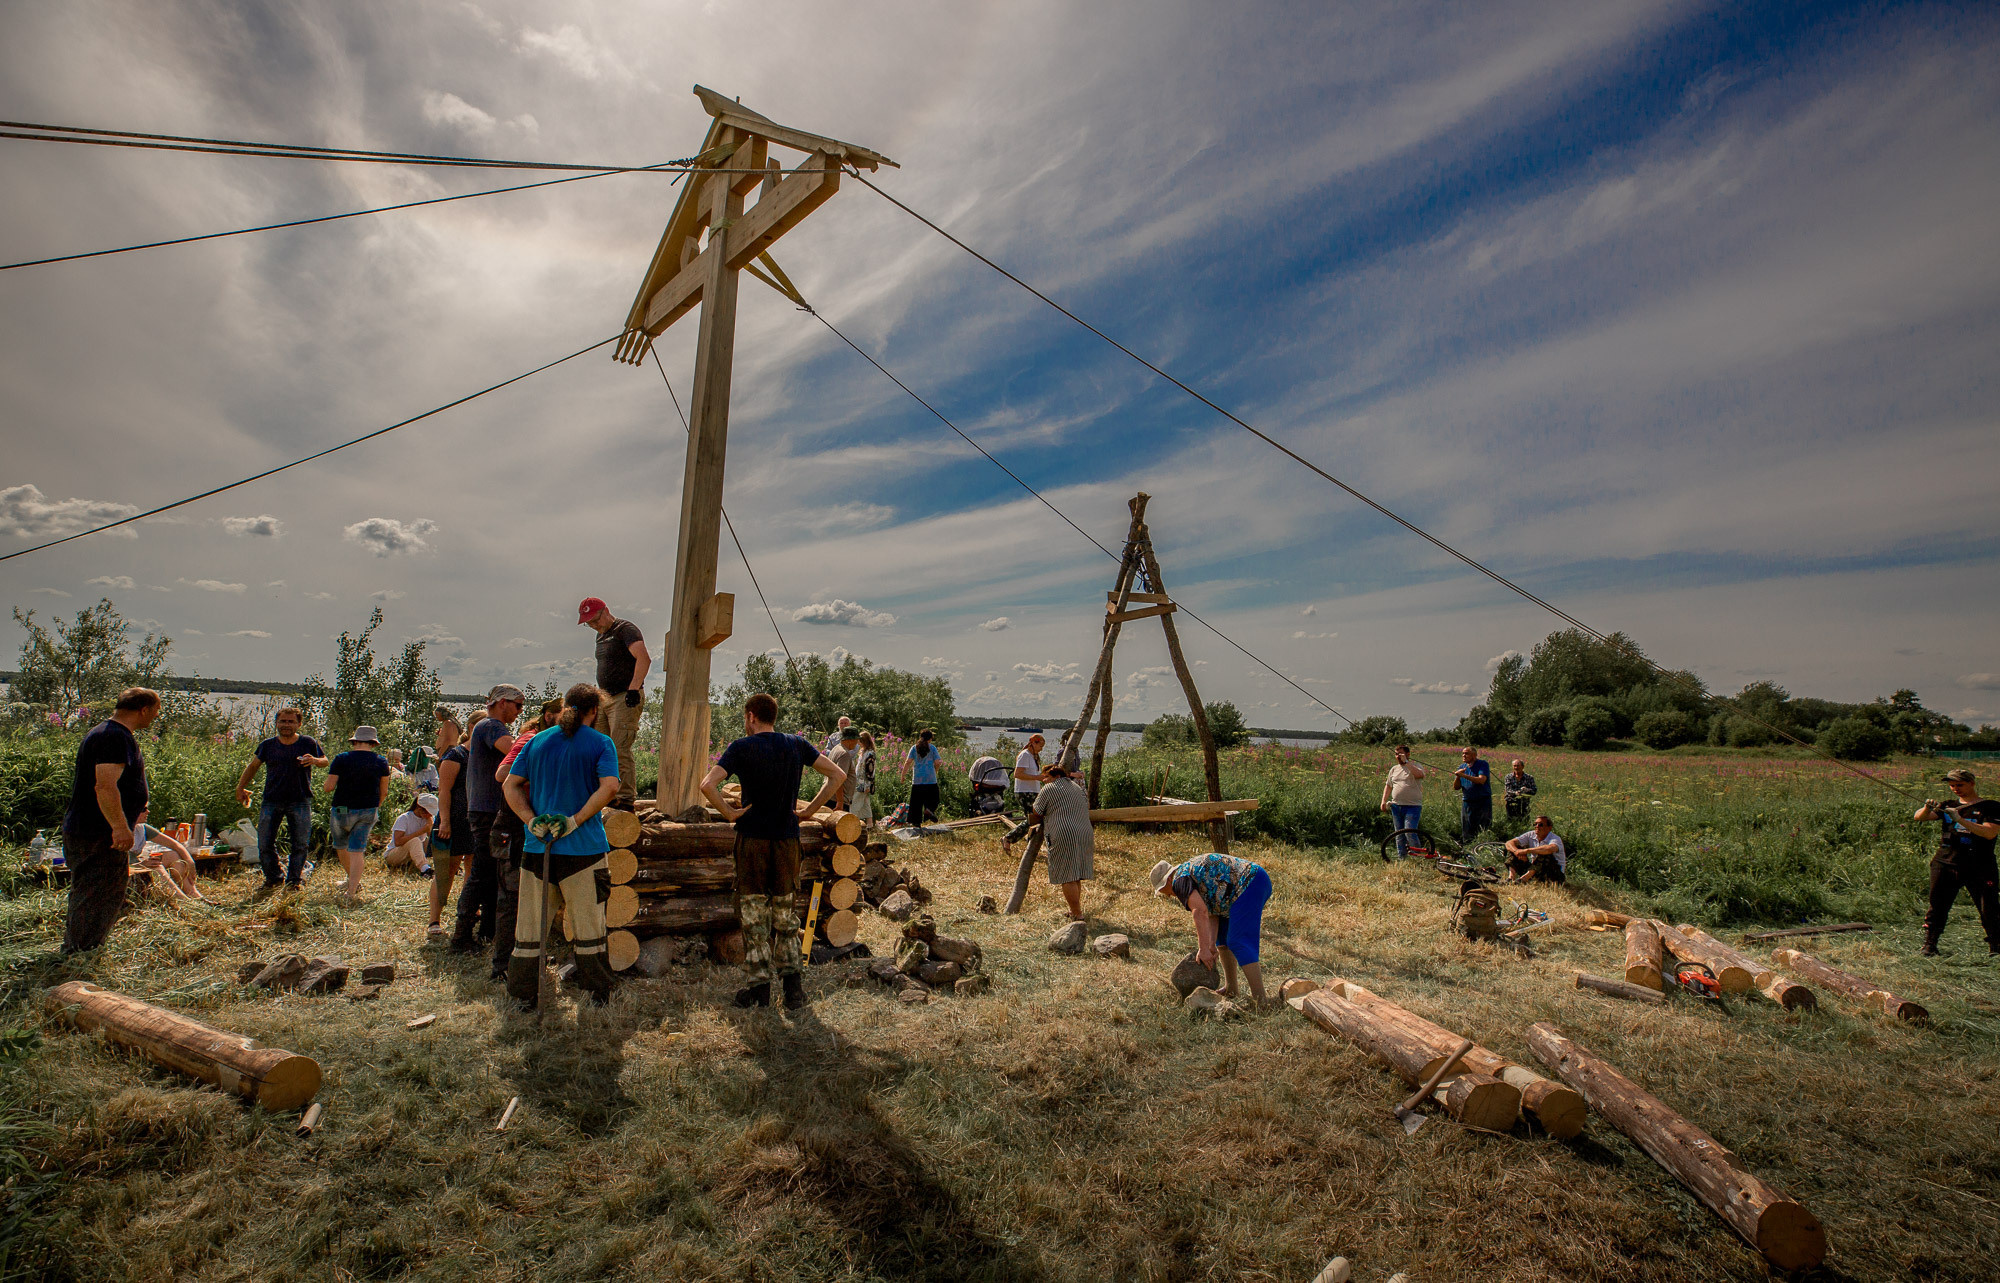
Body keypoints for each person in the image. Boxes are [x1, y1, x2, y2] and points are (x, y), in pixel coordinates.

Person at [700, 691, 847, 1010]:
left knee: (754, 917)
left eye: (745, 717)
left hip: (752, 841)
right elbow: (838, 775)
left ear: (751, 716)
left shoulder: (740, 748)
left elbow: (707, 785)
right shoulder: (795, 744)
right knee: (785, 916)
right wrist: (810, 811)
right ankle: (793, 992)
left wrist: (729, 813)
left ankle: (759, 990)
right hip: (786, 841)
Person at [502, 684, 623, 1012]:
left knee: (530, 926)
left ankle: (524, 994)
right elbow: (610, 786)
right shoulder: (601, 742)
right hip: (584, 851)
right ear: (594, 711)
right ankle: (597, 994)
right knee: (590, 926)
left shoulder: (537, 740)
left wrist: (529, 820)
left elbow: (509, 784)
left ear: (566, 707)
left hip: (538, 849)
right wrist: (576, 819)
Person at [61, 688, 160, 952]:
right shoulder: (113, 737)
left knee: (97, 892)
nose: (155, 716)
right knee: (97, 894)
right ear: (144, 710)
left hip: (92, 830)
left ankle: (81, 948)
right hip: (97, 832)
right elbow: (104, 786)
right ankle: (81, 952)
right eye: (156, 711)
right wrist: (119, 827)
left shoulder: (109, 733)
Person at [490, 696, 561, 982]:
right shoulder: (531, 739)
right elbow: (503, 774)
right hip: (512, 826)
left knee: (530, 898)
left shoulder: (547, 741)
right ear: (548, 717)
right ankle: (503, 967)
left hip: (525, 827)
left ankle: (529, 957)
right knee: (511, 898)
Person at [1152, 852, 1274, 1007]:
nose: (1169, 895)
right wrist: (1210, 945)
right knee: (1222, 941)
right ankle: (1231, 989)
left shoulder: (1179, 881)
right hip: (1242, 888)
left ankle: (1261, 1001)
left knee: (1238, 941)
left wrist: (1202, 949)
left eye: (1165, 891)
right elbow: (1211, 913)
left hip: (1250, 882)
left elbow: (1199, 911)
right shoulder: (1187, 875)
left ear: (1167, 880)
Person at [459, 684, 523, 960]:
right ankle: (461, 935)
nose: (519, 711)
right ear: (502, 703)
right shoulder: (491, 726)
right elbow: (515, 751)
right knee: (482, 871)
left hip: (484, 808)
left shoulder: (486, 726)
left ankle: (486, 931)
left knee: (491, 871)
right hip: (486, 810)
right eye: (518, 705)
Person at [234, 706, 327, 893]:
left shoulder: (307, 743)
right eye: (283, 721)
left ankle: (294, 881)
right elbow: (253, 766)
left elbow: (325, 761)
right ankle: (273, 878)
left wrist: (315, 761)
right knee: (265, 842)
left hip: (300, 800)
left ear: (299, 724)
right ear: (276, 723)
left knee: (299, 844)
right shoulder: (268, 745)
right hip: (272, 799)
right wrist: (240, 786)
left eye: (291, 721)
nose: (286, 725)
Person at [1915, 768, 2000, 956]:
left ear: (1972, 783)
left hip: (1980, 866)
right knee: (1937, 905)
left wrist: (1959, 819)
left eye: (1959, 785)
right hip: (1945, 862)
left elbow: (1989, 832)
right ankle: (1930, 944)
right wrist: (1927, 808)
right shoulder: (1948, 805)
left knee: (1989, 907)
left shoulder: (1991, 807)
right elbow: (1919, 817)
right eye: (1952, 785)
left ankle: (1996, 946)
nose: (1955, 789)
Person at [578, 597, 650, 808]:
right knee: (600, 748)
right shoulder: (600, 637)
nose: (593, 625)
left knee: (619, 748)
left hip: (624, 697)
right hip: (604, 699)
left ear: (606, 611)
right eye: (588, 623)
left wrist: (634, 689)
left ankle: (626, 799)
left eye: (595, 620)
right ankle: (606, 794)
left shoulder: (625, 629)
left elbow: (643, 658)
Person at [323, 726, 392, 903]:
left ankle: (351, 880)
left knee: (340, 845)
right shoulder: (381, 761)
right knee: (357, 850)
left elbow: (328, 787)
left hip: (342, 809)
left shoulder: (341, 759)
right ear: (373, 743)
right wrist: (375, 806)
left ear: (354, 741)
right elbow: (384, 791)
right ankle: (352, 890)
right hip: (368, 810)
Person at [1028, 754, 1093, 921]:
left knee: (1067, 875)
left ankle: (1077, 913)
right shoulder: (1076, 787)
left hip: (1064, 833)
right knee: (1076, 874)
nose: (1044, 781)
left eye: (1046, 777)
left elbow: (1037, 810)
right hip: (1085, 832)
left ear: (1056, 776)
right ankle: (1074, 910)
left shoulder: (1049, 789)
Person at [428, 715, 471, 938]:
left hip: (475, 822)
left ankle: (466, 916)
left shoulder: (485, 755)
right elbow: (443, 791)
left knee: (473, 873)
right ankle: (434, 920)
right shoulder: (456, 755)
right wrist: (445, 821)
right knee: (447, 871)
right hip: (453, 820)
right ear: (473, 728)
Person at [129, 810, 209, 903]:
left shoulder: (140, 828)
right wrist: (141, 865)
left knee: (172, 855)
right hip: (123, 875)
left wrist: (190, 861)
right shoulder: (115, 831)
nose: (148, 811)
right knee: (156, 866)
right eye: (143, 809)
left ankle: (194, 894)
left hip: (135, 867)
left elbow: (176, 845)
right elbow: (112, 865)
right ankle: (183, 900)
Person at [1378, 744, 1429, 860]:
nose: (1398, 756)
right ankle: (1402, 858)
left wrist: (1406, 762)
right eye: (1396, 754)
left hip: (1413, 806)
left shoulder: (1416, 766)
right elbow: (1388, 786)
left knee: (1409, 831)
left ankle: (1418, 857)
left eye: (1400, 754)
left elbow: (1420, 775)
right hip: (1396, 806)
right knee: (1399, 834)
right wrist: (1383, 801)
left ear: (1408, 754)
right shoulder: (1394, 769)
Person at [1503, 815, 1567, 884]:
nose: (1537, 826)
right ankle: (1511, 878)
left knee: (1544, 853)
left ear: (1549, 828)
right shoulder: (1531, 834)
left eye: (1540, 825)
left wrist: (1526, 851)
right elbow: (1509, 843)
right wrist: (1517, 851)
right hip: (1535, 869)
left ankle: (1523, 880)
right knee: (1514, 847)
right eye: (1535, 824)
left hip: (1553, 873)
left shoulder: (1555, 838)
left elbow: (1550, 849)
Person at [384, 794, 437, 877]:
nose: (430, 815)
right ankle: (424, 869)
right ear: (419, 809)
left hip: (413, 853)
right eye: (429, 812)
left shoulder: (429, 819)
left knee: (434, 840)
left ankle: (446, 864)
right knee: (415, 841)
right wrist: (421, 831)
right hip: (395, 855)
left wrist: (430, 827)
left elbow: (432, 839)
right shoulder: (404, 818)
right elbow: (397, 842)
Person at [901, 729, 942, 825]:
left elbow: (908, 762)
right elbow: (937, 762)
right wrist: (935, 770)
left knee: (916, 804)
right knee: (934, 798)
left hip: (917, 780)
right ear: (930, 739)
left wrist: (903, 775)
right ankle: (928, 810)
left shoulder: (914, 748)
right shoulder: (932, 748)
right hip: (930, 779)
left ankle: (916, 824)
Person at [1453, 746, 1493, 844]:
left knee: (1483, 827)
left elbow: (1482, 780)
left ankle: (1483, 848)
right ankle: (1468, 849)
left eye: (1466, 753)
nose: (1464, 755)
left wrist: (1464, 775)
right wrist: (1458, 777)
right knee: (1467, 828)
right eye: (1462, 753)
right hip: (1467, 801)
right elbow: (1456, 787)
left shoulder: (1482, 764)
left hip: (1482, 801)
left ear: (1474, 755)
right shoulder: (1461, 767)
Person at [826, 726, 861, 811]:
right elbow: (839, 778)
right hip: (836, 801)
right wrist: (840, 802)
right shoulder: (844, 754)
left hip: (830, 796)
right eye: (856, 740)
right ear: (850, 740)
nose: (857, 743)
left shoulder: (836, 748)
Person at [851, 730, 878, 826]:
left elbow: (870, 771)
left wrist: (867, 785)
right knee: (866, 803)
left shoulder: (870, 753)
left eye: (860, 741)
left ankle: (852, 822)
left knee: (855, 803)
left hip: (863, 784)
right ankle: (870, 824)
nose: (858, 743)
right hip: (859, 781)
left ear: (864, 741)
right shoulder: (863, 752)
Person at [1503, 758, 1537, 824]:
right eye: (1514, 766)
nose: (1516, 767)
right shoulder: (1508, 777)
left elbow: (1534, 791)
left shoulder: (1529, 777)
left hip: (1524, 803)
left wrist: (1526, 790)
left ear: (1523, 767)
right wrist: (1515, 793)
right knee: (1511, 821)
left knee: (1524, 821)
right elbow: (1508, 790)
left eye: (1518, 766)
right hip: (1511, 802)